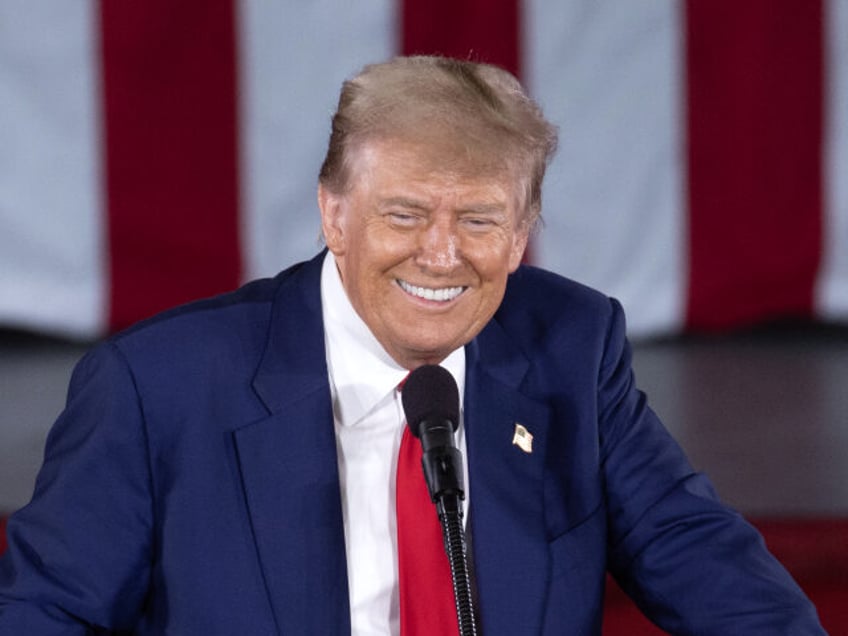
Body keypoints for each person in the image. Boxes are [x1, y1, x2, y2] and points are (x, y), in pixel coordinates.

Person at [0, 56, 825, 635]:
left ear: (521, 233)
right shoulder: (158, 385)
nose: (441, 254)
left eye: (478, 219)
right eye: (403, 215)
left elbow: (697, 553)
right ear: (334, 216)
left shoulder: (571, 347)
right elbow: (45, 613)